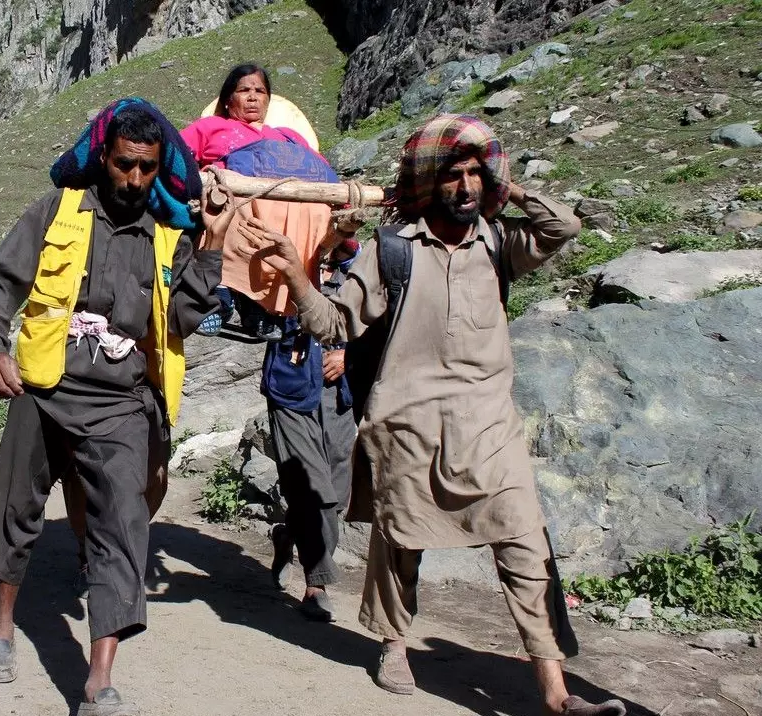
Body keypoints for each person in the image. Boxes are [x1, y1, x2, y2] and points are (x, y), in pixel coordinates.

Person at [241, 114, 624, 716]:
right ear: (428, 184)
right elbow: (337, 324)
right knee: (403, 544)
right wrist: (294, 274)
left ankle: (555, 691)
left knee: (526, 545)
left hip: (489, 426)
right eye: (454, 175)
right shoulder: (391, 250)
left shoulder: (499, 242)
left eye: (477, 174)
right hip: (408, 424)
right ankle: (395, 644)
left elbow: (563, 226)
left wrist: (510, 187)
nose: (467, 186)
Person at [0, 98, 219, 714]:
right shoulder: (58, 210)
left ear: (161, 168)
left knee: (122, 526)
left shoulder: (170, 234)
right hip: (45, 386)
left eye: (148, 168)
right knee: (14, 508)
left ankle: (98, 678)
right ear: (104, 157)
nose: (134, 179)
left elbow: (182, 318)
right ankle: (1, 628)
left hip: (123, 400)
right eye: (126, 164)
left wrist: (210, 249)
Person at [180, 63, 338, 342]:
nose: (253, 96)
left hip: (280, 216)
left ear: (268, 99)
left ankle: (259, 302)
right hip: (231, 208)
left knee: (309, 211)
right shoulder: (210, 128)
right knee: (230, 200)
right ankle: (220, 292)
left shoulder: (289, 137)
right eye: (244, 90)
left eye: (260, 91)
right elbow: (178, 159)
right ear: (229, 100)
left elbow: (323, 175)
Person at [263, 237, 361, 622]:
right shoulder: (283, 265)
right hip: (289, 387)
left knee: (336, 493)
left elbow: (380, 325)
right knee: (312, 488)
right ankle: (315, 584)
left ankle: (287, 536)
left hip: (339, 395)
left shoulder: (358, 276)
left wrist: (349, 355)